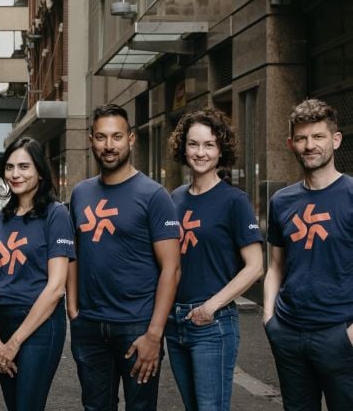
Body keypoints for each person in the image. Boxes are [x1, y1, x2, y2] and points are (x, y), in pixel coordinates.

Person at [67, 104, 181, 411]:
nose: (108, 145)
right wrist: (73, 309)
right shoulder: (80, 193)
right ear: (90, 139)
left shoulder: (154, 195)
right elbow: (74, 254)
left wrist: (155, 334)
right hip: (90, 326)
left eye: (116, 136)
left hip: (137, 326)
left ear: (130, 139)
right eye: (101, 137)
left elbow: (172, 268)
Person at [165, 109, 264, 411]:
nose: (200, 152)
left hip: (213, 324)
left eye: (209, 145)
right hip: (176, 321)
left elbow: (256, 266)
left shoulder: (234, 201)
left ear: (221, 150)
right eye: (193, 144)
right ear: (183, 148)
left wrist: (210, 306)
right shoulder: (175, 198)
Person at [264, 98, 353, 410]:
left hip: (339, 334)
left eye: (318, 137)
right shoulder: (281, 201)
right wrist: (269, 319)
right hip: (288, 332)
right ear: (291, 144)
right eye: (301, 138)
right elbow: (275, 266)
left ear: (336, 140)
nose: (309, 145)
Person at [0, 137, 75, 410]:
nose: (15, 174)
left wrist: (14, 342)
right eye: (10, 167)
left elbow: (57, 286)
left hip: (40, 327)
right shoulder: (0, 219)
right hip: (2, 323)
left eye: (24, 166)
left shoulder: (55, 214)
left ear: (39, 171)